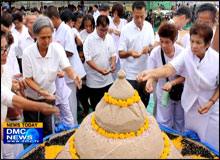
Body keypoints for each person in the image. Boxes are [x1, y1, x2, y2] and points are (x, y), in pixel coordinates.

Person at [137, 22, 219, 151]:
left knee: (209, 144)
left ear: (208, 44)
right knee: (190, 141)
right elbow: (170, 68)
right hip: (191, 106)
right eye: (191, 41)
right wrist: (150, 73)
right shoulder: (187, 53)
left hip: (210, 109)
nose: (193, 46)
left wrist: (211, 101)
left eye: (198, 43)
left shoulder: (216, 60)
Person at [1, 26, 59, 159]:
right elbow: (8, 98)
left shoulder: (4, 68)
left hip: (9, 122)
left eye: (6, 48)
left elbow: (8, 88)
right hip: (4, 130)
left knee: (17, 151)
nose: (5, 53)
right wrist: (39, 106)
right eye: (1, 50)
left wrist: (16, 86)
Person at [22, 16, 82, 137]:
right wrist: (41, 91)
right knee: (31, 129)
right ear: (35, 35)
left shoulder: (57, 49)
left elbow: (67, 67)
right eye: (43, 37)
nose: (47, 41)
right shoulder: (28, 53)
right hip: (32, 97)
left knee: (47, 127)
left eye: (49, 37)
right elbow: (28, 79)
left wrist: (74, 76)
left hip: (50, 95)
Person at [44, 6, 86, 126]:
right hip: (62, 75)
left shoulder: (66, 29)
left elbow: (70, 51)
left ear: (52, 18)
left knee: (70, 105)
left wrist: (54, 53)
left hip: (70, 74)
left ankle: (73, 128)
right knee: (64, 106)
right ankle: (67, 127)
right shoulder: (57, 30)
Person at [148, 22, 185, 132]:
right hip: (163, 92)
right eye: (161, 41)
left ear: (174, 40)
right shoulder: (155, 53)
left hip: (179, 92)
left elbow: (184, 76)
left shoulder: (181, 53)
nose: (163, 45)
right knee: (164, 121)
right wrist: (149, 82)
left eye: (167, 42)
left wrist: (172, 83)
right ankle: (165, 142)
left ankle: (178, 141)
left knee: (180, 120)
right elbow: (152, 73)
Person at [118, 1, 155, 107]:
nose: (139, 20)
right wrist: (130, 53)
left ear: (146, 14)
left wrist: (148, 49)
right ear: (132, 14)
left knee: (145, 103)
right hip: (131, 75)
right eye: (136, 17)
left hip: (145, 73)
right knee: (131, 105)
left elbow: (153, 46)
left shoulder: (148, 26)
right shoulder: (126, 29)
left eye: (142, 17)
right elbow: (121, 53)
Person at [83, 15, 116, 110]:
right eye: (101, 30)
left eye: (106, 30)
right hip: (94, 81)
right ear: (96, 26)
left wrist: (113, 63)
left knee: (109, 107)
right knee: (97, 108)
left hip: (108, 80)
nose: (104, 32)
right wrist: (99, 70)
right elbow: (88, 59)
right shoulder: (89, 40)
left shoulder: (109, 38)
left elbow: (113, 54)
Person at [108, 2, 127, 80]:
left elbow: (127, 36)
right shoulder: (109, 23)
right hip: (112, 52)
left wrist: (119, 33)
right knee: (114, 74)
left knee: (123, 73)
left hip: (122, 52)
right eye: (114, 13)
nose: (115, 16)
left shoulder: (124, 23)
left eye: (117, 14)